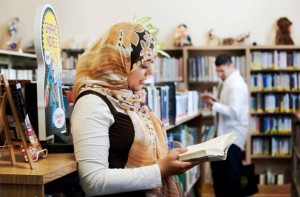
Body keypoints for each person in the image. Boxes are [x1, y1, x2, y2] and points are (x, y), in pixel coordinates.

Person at [71, 22, 204, 196]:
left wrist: (167, 161)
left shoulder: (131, 97)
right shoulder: (92, 103)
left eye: (151, 63)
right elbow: (93, 181)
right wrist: (160, 170)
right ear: (119, 62)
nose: (150, 73)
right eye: (143, 65)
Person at [200, 54, 249, 197]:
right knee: (219, 169)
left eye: (222, 71)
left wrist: (214, 104)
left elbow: (234, 112)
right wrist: (214, 101)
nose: (220, 74)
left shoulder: (236, 85)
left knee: (231, 174)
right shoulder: (228, 82)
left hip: (233, 136)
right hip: (224, 133)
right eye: (218, 71)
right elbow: (228, 105)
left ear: (231, 66)